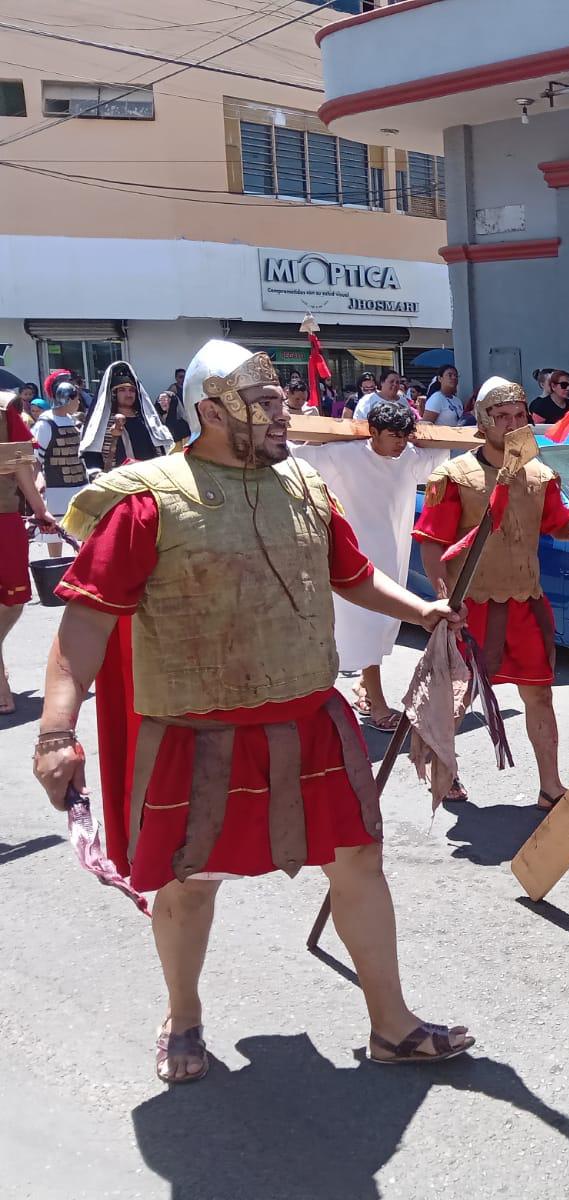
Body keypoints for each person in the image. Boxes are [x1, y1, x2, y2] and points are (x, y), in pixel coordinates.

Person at [33, 339, 474, 1084]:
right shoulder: (146, 500)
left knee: (358, 860)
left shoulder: (302, 484)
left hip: (309, 717)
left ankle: (392, 1026)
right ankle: (183, 1016)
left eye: (279, 401)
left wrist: (420, 608)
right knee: (188, 880)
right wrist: (54, 730)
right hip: (196, 730)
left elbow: (351, 574)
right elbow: (85, 623)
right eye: (264, 404)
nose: (283, 415)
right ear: (211, 411)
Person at [414, 378, 569, 807]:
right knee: (457, 695)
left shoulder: (540, 475)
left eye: (519, 415)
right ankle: (444, 772)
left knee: (540, 694)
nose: (511, 424)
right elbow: (432, 542)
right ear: (483, 421)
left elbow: (561, 526)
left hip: (525, 602)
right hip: (470, 605)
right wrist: (442, 597)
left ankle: (550, 786)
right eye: (501, 416)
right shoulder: (453, 476)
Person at [293, 399, 449, 730]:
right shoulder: (344, 455)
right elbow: (295, 458)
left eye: (404, 436)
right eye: (393, 436)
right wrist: (309, 432)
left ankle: (363, 688)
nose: (400, 443)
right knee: (366, 626)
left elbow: (441, 455)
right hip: (354, 557)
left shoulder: (408, 457)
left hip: (392, 555)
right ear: (373, 432)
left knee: (383, 626)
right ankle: (377, 705)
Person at [0, 435, 58, 712]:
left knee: (14, 600)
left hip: (4, 516)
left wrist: (40, 508)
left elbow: (21, 460)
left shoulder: (5, 414)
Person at [81, 361, 175, 475]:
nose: (128, 394)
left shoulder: (147, 422)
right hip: (118, 479)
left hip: (148, 477)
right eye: (122, 390)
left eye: (131, 390)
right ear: (114, 394)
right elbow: (93, 457)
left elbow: (160, 450)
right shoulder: (102, 425)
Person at [34, 378, 87, 538]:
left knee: (80, 533)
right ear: (68, 399)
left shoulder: (73, 421)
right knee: (54, 535)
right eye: (76, 399)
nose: (79, 402)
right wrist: (38, 479)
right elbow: (35, 458)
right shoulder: (46, 424)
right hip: (55, 488)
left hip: (79, 485)